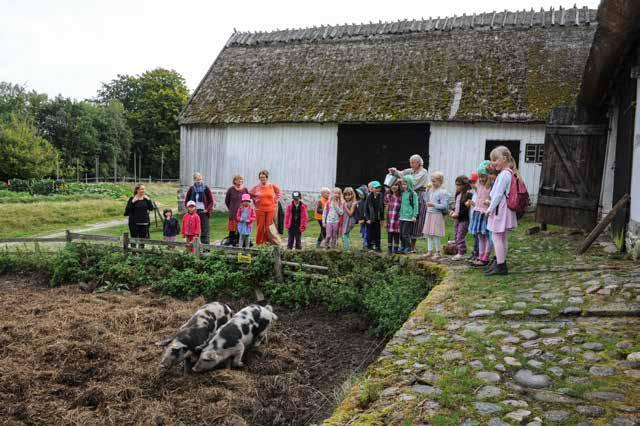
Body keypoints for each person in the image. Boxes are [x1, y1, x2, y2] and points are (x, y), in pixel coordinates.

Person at [486, 146, 519, 275]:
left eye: (495, 159)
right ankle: (500, 262)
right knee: (502, 237)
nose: (493, 163)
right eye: (492, 160)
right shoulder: (508, 172)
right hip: (503, 208)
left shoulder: (505, 174)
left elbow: (498, 195)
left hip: (500, 209)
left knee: (496, 236)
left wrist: (489, 209)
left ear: (504, 159)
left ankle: (500, 265)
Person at [388, 154, 429, 252]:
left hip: (418, 195)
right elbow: (401, 173)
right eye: (410, 162)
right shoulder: (411, 171)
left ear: (418, 163)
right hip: (407, 196)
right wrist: (394, 171)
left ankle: (412, 246)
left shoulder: (423, 172)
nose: (411, 164)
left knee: (415, 222)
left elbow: (413, 182)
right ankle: (405, 245)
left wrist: (401, 180)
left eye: (412, 162)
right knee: (405, 222)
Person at [249, 170, 281, 245]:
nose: (262, 179)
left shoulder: (271, 186)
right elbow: (250, 194)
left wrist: (275, 200)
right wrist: (255, 201)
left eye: (263, 177)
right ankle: (259, 242)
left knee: (268, 227)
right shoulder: (256, 187)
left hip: (270, 209)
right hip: (260, 210)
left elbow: (278, 192)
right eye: (260, 177)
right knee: (260, 227)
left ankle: (268, 241)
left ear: (267, 177)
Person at [469, 164, 492, 267]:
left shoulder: (491, 187)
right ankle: (480, 256)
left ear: (488, 176)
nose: (481, 179)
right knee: (480, 236)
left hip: (485, 214)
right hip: (477, 213)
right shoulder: (478, 186)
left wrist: (489, 201)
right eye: (480, 177)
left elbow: (493, 199)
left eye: (483, 176)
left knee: (486, 236)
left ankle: (485, 257)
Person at [423, 172, 448, 260]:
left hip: (436, 215)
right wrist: (426, 192)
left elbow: (444, 205)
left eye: (434, 181)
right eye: (432, 181)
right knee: (429, 233)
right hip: (429, 214)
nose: (432, 183)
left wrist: (434, 205)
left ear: (440, 181)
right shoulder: (431, 190)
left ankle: (438, 252)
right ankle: (429, 251)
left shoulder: (442, 192)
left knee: (435, 234)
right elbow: (426, 200)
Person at [184, 173, 214, 245]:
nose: (199, 181)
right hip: (194, 212)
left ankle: (206, 248)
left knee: (205, 231)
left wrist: (207, 210)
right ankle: (193, 247)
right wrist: (189, 209)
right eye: (197, 180)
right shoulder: (192, 189)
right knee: (193, 231)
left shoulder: (206, 188)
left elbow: (211, 201)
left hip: (204, 212)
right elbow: (186, 201)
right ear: (194, 180)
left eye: (200, 179)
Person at [450, 176, 472, 260]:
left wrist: (458, 214)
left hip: (464, 219)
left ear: (465, 185)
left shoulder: (469, 195)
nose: (457, 187)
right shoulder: (457, 195)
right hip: (457, 218)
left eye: (459, 185)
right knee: (456, 234)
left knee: (460, 235)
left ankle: (461, 252)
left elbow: (466, 209)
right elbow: (456, 206)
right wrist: (452, 211)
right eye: (456, 185)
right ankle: (458, 249)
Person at [224, 175, 248, 246]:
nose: (239, 181)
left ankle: (239, 242)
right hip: (233, 213)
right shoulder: (230, 189)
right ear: (234, 181)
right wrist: (231, 208)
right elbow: (227, 201)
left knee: (241, 229)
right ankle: (231, 241)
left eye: (241, 180)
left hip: (242, 213)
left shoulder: (245, 190)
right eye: (238, 180)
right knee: (232, 229)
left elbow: (247, 200)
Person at [399, 176, 419, 254]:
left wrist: (414, 216)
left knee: (405, 233)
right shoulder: (403, 193)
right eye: (402, 184)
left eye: (405, 184)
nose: (403, 186)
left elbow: (416, 205)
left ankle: (409, 247)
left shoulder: (413, 194)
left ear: (409, 184)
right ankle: (403, 246)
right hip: (402, 216)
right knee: (401, 233)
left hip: (409, 217)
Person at [364, 181, 385, 252]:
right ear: (371, 189)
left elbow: (382, 208)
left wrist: (382, 219)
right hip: (370, 218)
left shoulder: (380, 196)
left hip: (377, 218)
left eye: (379, 188)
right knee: (370, 233)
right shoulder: (369, 197)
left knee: (377, 233)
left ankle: (378, 246)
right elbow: (366, 209)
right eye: (376, 188)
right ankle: (369, 246)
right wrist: (367, 219)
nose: (378, 189)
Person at [384, 180, 402, 254]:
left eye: (396, 185)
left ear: (399, 187)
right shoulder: (388, 196)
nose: (394, 187)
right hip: (390, 218)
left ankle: (396, 248)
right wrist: (385, 220)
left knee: (396, 233)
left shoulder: (401, 197)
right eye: (392, 185)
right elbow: (385, 207)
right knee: (390, 233)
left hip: (397, 218)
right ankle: (389, 249)